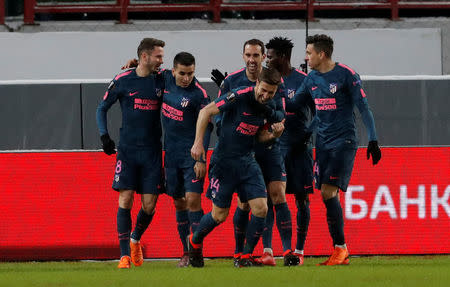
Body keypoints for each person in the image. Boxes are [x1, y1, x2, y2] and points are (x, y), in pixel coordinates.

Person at [290, 34, 382, 265]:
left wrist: (373, 139)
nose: (306, 57)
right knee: (328, 194)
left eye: (309, 53)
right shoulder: (311, 78)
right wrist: (260, 94)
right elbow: (292, 104)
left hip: (343, 142)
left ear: (322, 54)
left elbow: (364, 108)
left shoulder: (346, 75)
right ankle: (339, 250)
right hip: (321, 144)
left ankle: (341, 249)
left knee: (328, 192)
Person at [211, 39, 298, 266]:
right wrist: (225, 129)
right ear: (243, 56)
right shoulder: (230, 81)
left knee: (278, 194)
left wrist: (276, 124)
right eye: (248, 55)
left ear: (262, 58)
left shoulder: (274, 81)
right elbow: (218, 112)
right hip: (242, 152)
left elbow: (280, 113)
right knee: (245, 204)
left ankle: (289, 252)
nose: (252, 60)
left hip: (268, 146)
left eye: (256, 56)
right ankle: (241, 253)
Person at [188, 67, 285, 268]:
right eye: (263, 90)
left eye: (271, 93)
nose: (265, 96)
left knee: (261, 208)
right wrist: (198, 142)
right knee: (219, 215)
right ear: (257, 82)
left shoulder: (268, 107)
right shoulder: (239, 95)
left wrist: (274, 135)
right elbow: (205, 111)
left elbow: (259, 137)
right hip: (224, 162)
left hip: (247, 161)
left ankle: (244, 257)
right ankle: (195, 241)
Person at [96, 38, 165, 269]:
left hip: (152, 153)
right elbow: (101, 108)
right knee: (125, 199)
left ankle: (135, 238)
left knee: (149, 206)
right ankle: (124, 255)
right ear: (145, 56)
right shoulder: (123, 80)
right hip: (127, 151)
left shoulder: (162, 79)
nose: (161, 60)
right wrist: (104, 136)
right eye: (158, 56)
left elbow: (183, 80)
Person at [258, 36, 314, 266]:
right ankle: (268, 250)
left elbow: (318, 111)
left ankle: (298, 251)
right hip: (272, 148)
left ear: (282, 57)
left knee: (302, 200)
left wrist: (309, 133)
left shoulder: (304, 80)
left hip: (299, 149)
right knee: (269, 199)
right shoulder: (265, 80)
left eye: (269, 57)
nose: (266, 60)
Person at [160, 52, 212, 267]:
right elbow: (146, 70)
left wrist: (201, 158)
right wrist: (133, 63)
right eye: (182, 73)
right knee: (179, 201)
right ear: (173, 71)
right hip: (170, 155)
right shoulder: (164, 79)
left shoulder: (199, 95)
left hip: (191, 155)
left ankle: (196, 251)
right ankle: (184, 251)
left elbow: (208, 126)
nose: (186, 78)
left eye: (190, 73)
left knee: (193, 200)